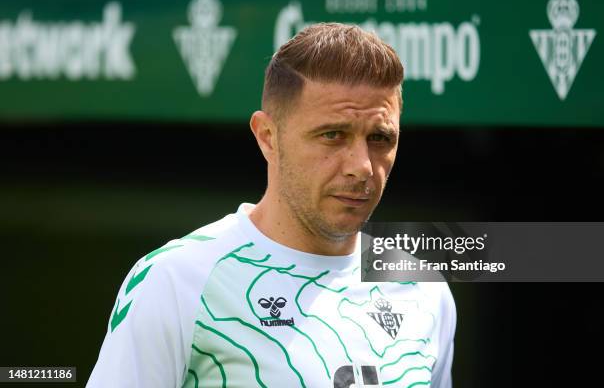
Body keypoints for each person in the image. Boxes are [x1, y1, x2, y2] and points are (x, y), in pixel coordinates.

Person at [87, 22, 455, 388]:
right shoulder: (176, 279)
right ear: (267, 137)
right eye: (333, 135)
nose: (361, 166)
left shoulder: (424, 289)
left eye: (379, 138)